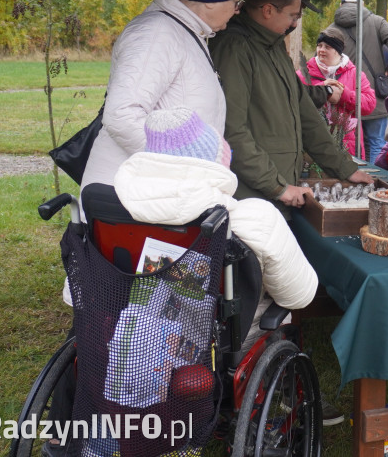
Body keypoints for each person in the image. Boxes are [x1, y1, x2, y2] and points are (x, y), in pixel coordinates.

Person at [112, 109, 318, 353]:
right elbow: (297, 296)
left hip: (139, 329)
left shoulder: (113, 211)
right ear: (215, 163)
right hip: (222, 342)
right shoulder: (253, 218)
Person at [81, 0, 250, 189]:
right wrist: (182, 170)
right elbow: (122, 116)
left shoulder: (186, 32)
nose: (237, 11)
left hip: (160, 193)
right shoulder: (157, 34)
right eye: (236, 3)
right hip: (133, 196)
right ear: (213, 1)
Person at [211, 0, 373, 218]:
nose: (295, 23)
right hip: (251, 198)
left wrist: (344, 167)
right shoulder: (235, 48)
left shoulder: (274, 47)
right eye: (292, 15)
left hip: (279, 192)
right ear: (267, 10)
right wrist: (277, 186)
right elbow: (232, 131)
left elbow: (306, 114)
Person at [333, 0, 388, 163]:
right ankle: (372, 186)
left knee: (345, 145)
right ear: (362, 3)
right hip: (374, 98)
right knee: (375, 144)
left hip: (344, 99)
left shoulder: (332, 29)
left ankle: (351, 188)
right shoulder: (377, 22)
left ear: (341, 4)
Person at [301, 26, 376, 157]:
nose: (321, 50)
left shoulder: (355, 74)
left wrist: (343, 95)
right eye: (319, 45)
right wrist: (321, 90)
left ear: (338, 50)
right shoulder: (304, 73)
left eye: (327, 47)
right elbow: (295, 99)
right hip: (313, 141)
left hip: (348, 143)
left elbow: (369, 105)